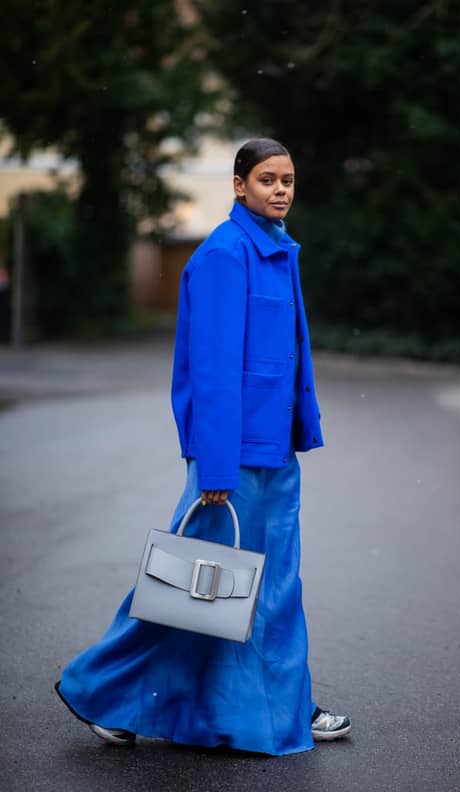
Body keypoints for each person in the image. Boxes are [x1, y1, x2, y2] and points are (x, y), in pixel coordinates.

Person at [55, 137, 351, 755]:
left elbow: (285, 357)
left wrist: (302, 428)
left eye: (289, 180)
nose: (281, 190)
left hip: (275, 452)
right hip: (233, 460)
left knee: (273, 588)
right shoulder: (224, 253)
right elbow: (213, 369)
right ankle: (104, 692)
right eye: (267, 179)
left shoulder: (277, 249)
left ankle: (287, 701)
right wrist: (214, 463)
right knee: (193, 592)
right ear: (239, 185)